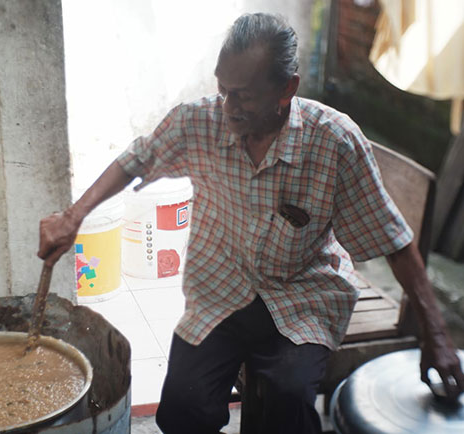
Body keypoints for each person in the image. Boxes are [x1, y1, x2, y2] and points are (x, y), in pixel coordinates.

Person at [38, 12, 464, 434]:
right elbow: (135, 160)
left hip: (303, 294)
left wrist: (436, 335)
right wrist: (74, 216)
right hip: (219, 287)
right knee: (183, 409)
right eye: (223, 90)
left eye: (242, 96)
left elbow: (392, 240)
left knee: (288, 401)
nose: (228, 108)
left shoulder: (334, 141)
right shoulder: (197, 122)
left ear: (287, 88)